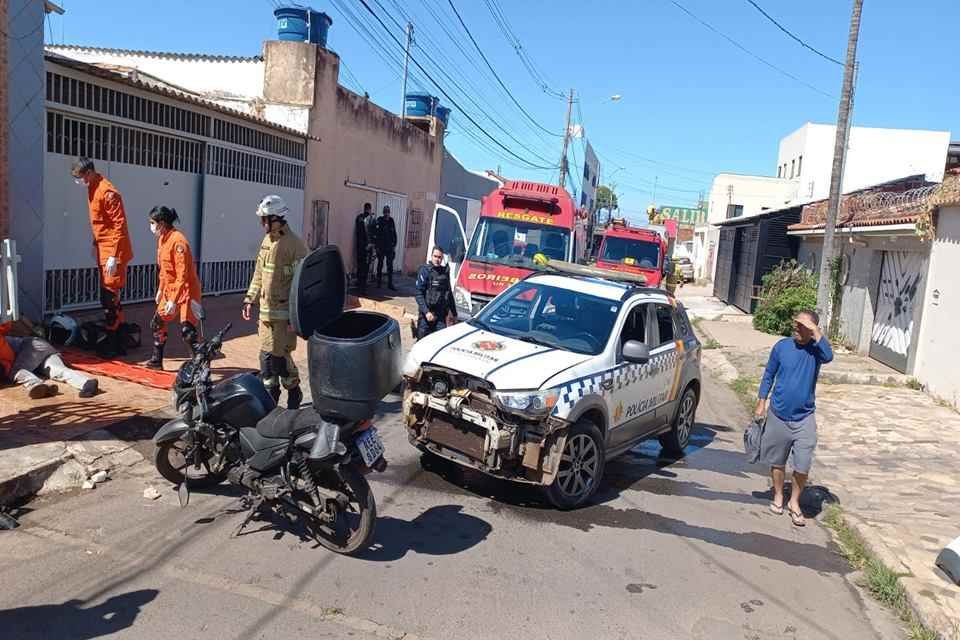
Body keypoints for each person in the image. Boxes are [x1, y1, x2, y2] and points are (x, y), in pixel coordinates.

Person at [755, 310, 834, 527]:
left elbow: (829, 356)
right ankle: (779, 495)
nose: (796, 329)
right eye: (796, 325)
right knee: (777, 461)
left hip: (804, 417)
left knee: (803, 464)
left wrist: (816, 331)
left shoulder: (816, 351)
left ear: (811, 330)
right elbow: (769, 373)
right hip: (778, 414)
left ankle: (794, 501)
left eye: (802, 326)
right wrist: (762, 401)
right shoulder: (782, 347)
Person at [242, 195, 308, 409]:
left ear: (277, 218)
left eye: (265, 219)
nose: (262, 224)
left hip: (284, 317)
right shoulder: (267, 241)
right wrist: (249, 299)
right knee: (267, 358)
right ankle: (272, 396)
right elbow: (259, 274)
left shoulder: (295, 246)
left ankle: (293, 392)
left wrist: (296, 316)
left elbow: (302, 285)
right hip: (266, 314)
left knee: (278, 359)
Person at [71, 157, 134, 357]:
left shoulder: (107, 192)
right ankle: (119, 339)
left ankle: (113, 344)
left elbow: (119, 226)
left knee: (109, 298)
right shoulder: (92, 187)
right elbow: (101, 224)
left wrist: (113, 257)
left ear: (89, 173)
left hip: (113, 250)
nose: (79, 182)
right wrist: (95, 244)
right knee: (111, 297)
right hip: (103, 247)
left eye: (80, 177)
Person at [145, 206, 203, 371]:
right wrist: (161, 290)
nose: (151, 226)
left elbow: (182, 274)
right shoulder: (163, 239)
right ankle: (157, 360)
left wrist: (173, 300)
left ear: (162, 223)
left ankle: (198, 367)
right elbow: (164, 270)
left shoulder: (178, 241)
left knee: (188, 332)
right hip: (170, 289)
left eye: (152, 223)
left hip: (187, 290)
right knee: (158, 322)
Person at [1, 321, 99, 399]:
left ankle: (35, 384)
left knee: (15, 372)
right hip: (42, 349)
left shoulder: (3, 343)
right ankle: (87, 383)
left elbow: (7, 365)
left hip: (32, 347)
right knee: (58, 371)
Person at [415, 246, 457, 339]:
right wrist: (426, 312)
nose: (437, 259)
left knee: (439, 342)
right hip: (426, 316)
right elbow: (418, 294)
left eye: (439, 257)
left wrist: (454, 314)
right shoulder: (425, 270)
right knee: (421, 342)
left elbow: (449, 294)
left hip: (440, 316)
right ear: (431, 256)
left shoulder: (444, 273)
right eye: (435, 256)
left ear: (442, 258)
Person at [375, 205, 398, 291]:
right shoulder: (380, 220)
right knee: (380, 265)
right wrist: (377, 246)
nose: (387, 213)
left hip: (389, 248)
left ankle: (390, 283)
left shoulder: (391, 221)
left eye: (388, 212)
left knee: (390, 266)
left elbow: (394, 233)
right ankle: (378, 282)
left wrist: (394, 244)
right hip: (381, 247)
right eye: (385, 212)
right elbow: (376, 234)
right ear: (383, 212)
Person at [354, 202, 373, 294]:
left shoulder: (358, 218)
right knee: (365, 267)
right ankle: (363, 287)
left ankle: (359, 284)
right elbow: (371, 234)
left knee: (360, 265)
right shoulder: (370, 219)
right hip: (367, 247)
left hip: (359, 246)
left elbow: (358, 233)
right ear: (369, 209)